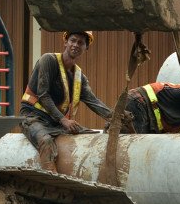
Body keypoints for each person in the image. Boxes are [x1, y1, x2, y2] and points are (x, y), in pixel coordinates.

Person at [21, 31, 113, 172]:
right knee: (46, 141)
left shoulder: (79, 77)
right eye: (73, 40)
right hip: (33, 117)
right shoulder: (49, 60)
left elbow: (93, 101)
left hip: (55, 122)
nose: (76, 45)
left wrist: (115, 117)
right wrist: (64, 120)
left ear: (86, 48)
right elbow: (43, 95)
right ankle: (51, 185)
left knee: (91, 135)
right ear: (65, 42)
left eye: (81, 43)